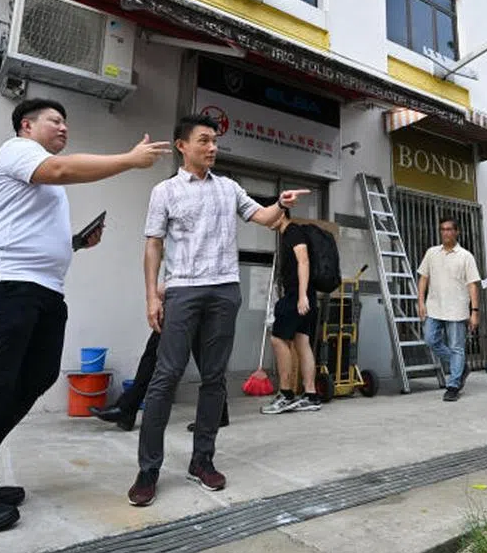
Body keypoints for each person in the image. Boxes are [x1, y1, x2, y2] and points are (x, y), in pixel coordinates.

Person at [0, 98, 170, 534]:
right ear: (26, 125)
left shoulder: (37, 174)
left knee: (35, 377)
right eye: (55, 121)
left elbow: (28, 228)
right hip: (3, 285)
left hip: (40, 290)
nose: (63, 128)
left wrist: (74, 243)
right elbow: (61, 169)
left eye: (65, 122)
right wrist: (130, 160)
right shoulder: (18, 151)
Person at [128, 113, 308, 508]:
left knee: (214, 379)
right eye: (204, 141)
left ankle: (202, 461)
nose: (212, 148)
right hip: (182, 291)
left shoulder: (229, 188)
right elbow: (153, 245)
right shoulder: (165, 191)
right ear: (182, 146)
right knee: (165, 377)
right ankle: (148, 470)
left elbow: (263, 217)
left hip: (224, 291)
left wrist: (280, 203)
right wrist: (152, 296)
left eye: (214, 142)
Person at [88, 283, 230, 431]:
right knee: (160, 345)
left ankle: (128, 408)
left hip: (202, 292)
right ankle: (218, 411)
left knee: (203, 353)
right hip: (187, 293)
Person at [260, 209, 322, 414]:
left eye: (270, 214)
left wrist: (302, 296)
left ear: (281, 215)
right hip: (303, 294)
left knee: (277, 339)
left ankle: (286, 394)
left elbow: (304, 261)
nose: (266, 219)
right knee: (302, 342)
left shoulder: (293, 231)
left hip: (297, 294)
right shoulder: (289, 234)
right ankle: (311, 395)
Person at [417, 216, 481, 402]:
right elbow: (423, 278)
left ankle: (453, 385)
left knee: (456, 347)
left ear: (457, 232)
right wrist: (420, 302)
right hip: (434, 307)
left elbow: (472, 285)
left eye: (449, 229)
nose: (445, 233)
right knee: (430, 340)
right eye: (442, 229)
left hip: (457, 310)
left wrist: (475, 311)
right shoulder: (431, 253)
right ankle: (460, 367)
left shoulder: (465, 256)